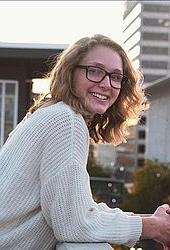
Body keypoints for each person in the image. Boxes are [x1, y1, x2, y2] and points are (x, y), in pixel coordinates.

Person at [0, 34, 170, 250]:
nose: (106, 84)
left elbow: (77, 206)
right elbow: (74, 223)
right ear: (70, 72)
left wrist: (151, 221)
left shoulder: (49, 112)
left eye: (116, 77)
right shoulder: (66, 121)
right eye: (95, 71)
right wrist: (152, 227)